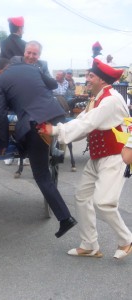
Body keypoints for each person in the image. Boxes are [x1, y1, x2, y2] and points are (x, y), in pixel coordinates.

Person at [39, 58, 132, 259]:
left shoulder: (111, 100)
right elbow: (82, 122)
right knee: (82, 197)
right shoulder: (96, 99)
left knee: (104, 202)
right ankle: (90, 244)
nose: (87, 80)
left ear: (102, 80)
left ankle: (126, 240)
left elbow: (88, 123)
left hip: (115, 157)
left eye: (91, 76)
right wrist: (59, 129)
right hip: (99, 156)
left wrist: (55, 130)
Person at [0, 62, 77, 238]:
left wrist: (4, 141)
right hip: (56, 114)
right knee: (36, 155)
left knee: (41, 175)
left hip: (34, 124)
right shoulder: (31, 68)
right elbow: (53, 84)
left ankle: (65, 218)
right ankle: (39, 150)